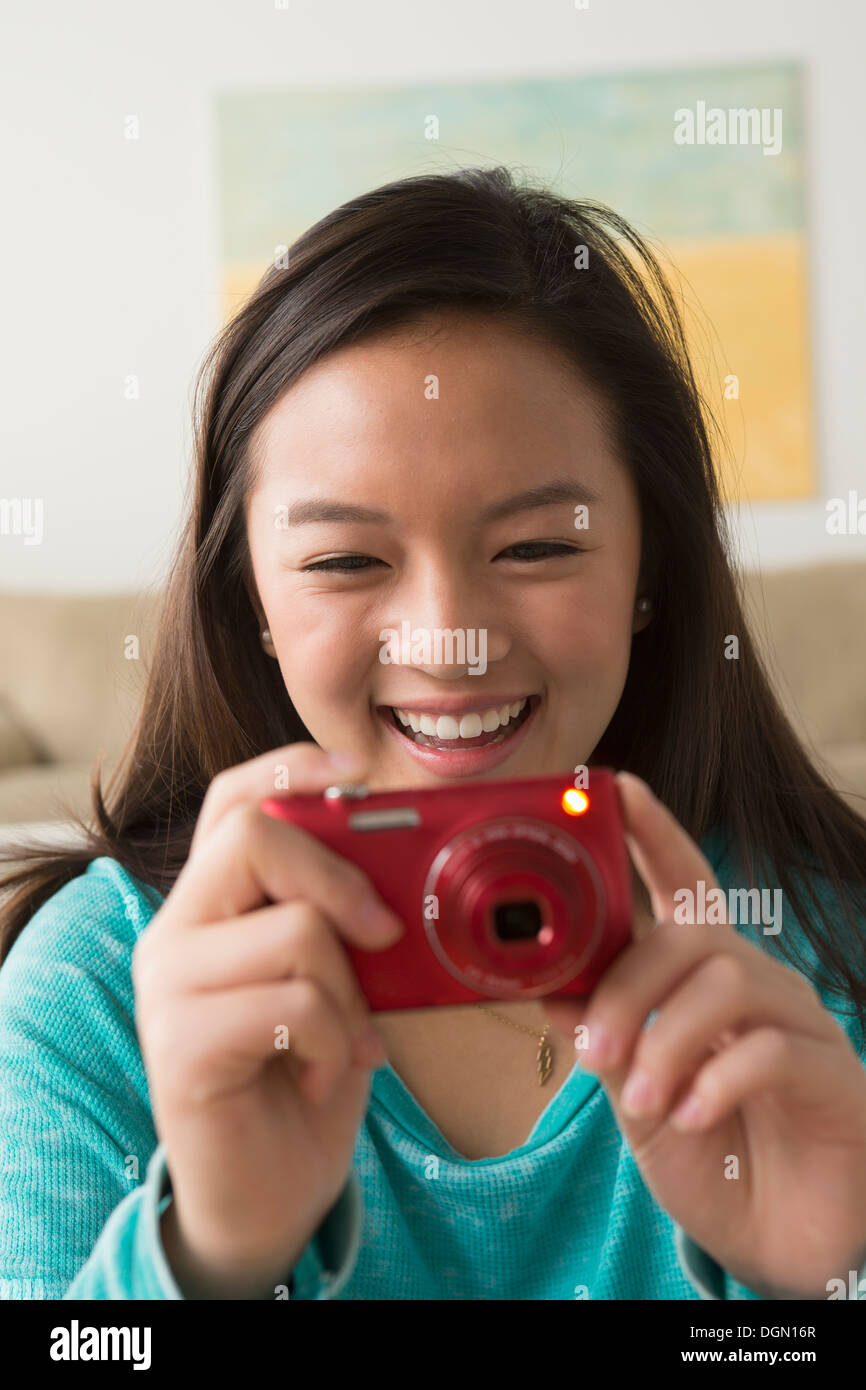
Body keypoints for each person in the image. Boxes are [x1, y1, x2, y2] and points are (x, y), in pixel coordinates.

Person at [2, 165, 866, 1302]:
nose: (448, 638)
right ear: (249, 604)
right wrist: (203, 1257)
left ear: (648, 570)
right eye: (346, 561)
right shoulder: (97, 990)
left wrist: (811, 1288)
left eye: (534, 548)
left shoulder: (826, 956)